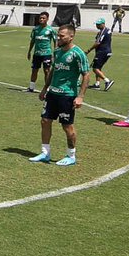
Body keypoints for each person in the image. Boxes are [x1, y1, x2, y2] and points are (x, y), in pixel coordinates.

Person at [28, 24, 89, 166]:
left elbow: (86, 75)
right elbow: (53, 72)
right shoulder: (57, 52)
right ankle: (45, 153)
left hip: (67, 95)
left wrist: (80, 97)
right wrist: (44, 89)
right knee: (45, 121)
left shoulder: (78, 53)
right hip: (52, 94)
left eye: (62, 36)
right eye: (58, 35)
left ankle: (71, 155)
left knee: (67, 126)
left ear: (71, 36)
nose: (58, 38)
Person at [26, 11, 57, 92]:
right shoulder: (35, 29)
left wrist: (55, 52)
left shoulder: (51, 30)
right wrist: (29, 51)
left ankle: (47, 88)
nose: (41, 19)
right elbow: (32, 41)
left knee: (47, 71)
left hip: (47, 53)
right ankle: (31, 87)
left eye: (43, 18)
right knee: (34, 70)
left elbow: (55, 41)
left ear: (47, 19)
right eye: (40, 18)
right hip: (37, 54)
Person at [84, 18, 115, 91]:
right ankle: (97, 84)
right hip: (105, 51)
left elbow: (98, 42)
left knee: (95, 69)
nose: (97, 26)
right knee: (98, 67)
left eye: (98, 24)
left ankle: (107, 81)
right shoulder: (106, 30)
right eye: (96, 24)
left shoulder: (103, 32)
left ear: (103, 24)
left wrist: (88, 50)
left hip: (102, 52)